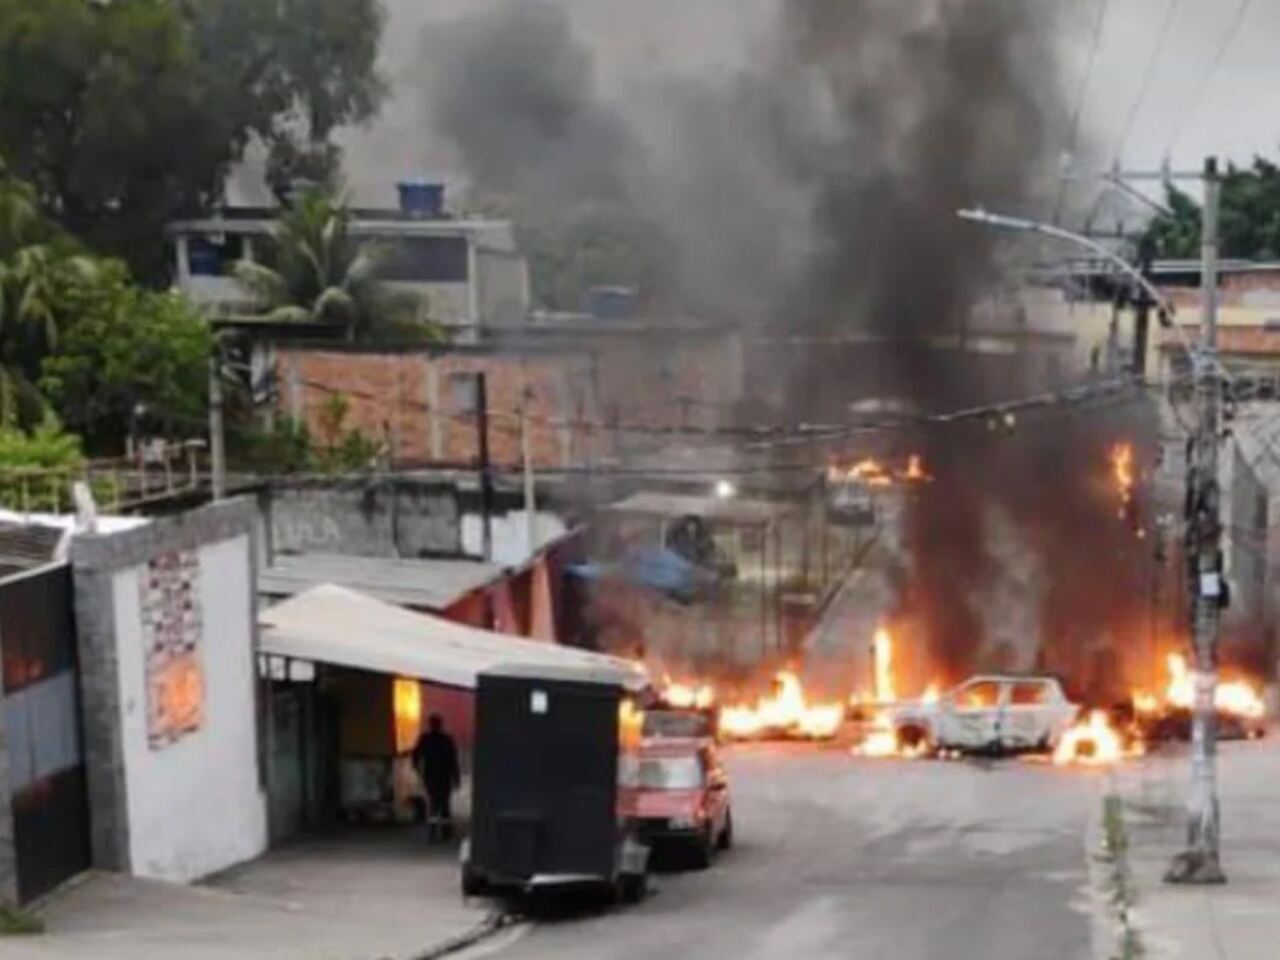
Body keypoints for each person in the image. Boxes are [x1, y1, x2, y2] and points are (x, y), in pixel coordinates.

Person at [413, 714, 460, 841]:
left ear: (430, 724)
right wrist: (456, 778)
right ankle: (446, 833)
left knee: (433, 803)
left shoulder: (425, 739)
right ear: (440, 725)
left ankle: (433, 833)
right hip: (444, 776)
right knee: (444, 804)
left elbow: (416, 755)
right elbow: (453, 760)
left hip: (430, 776)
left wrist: (417, 769)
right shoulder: (447, 740)